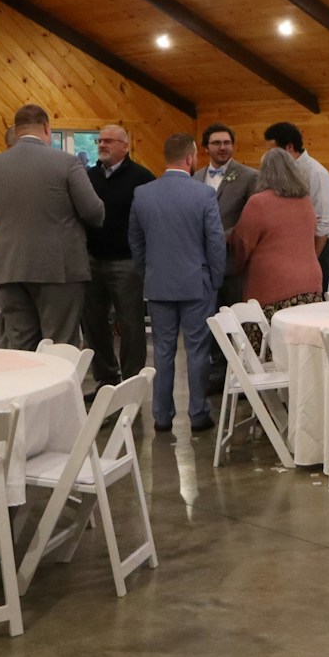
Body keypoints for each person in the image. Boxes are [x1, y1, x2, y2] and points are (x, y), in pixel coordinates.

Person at [0, 104, 105, 353]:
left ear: (17, 130)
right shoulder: (66, 162)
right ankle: (59, 393)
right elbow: (94, 212)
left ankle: (25, 392)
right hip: (58, 268)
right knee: (60, 345)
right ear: (46, 128)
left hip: (9, 268)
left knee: (21, 347)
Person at [130, 133, 223, 434]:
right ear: (190, 158)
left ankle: (161, 415)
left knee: (163, 351)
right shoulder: (204, 195)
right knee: (197, 351)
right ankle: (197, 413)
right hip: (197, 282)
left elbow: (136, 241)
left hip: (158, 283)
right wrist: (215, 279)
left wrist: (148, 272)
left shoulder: (142, 194)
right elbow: (215, 243)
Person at [81, 124, 156, 389]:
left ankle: (132, 381)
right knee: (93, 323)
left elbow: (151, 219)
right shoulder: (87, 177)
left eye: (109, 141)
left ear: (125, 146)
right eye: (100, 141)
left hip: (126, 261)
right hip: (92, 260)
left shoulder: (142, 178)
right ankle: (105, 378)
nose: (102, 145)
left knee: (131, 323)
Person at [228, 148, 323, 315]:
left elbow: (242, 244)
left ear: (264, 172)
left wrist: (232, 268)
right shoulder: (305, 201)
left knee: (269, 340)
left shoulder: (258, 202)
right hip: (311, 284)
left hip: (272, 287)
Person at [264, 122, 329, 294]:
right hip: (287, 251)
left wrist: (309, 262)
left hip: (313, 250)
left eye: (272, 151)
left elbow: (323, 224)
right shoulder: (278, 173)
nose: (268, 156)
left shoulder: (316, 173)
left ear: (289, 147)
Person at [193, 123, 260, 307]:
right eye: (216, 143)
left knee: (236, 318)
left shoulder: (250, 176)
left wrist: (221, 237)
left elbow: (252, 218)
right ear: (206, 148)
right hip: (201, 263)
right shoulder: (195, 178)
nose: (222, 147)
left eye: (227, 143)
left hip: (233, 261)